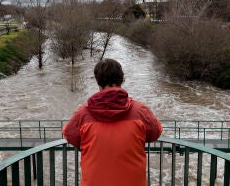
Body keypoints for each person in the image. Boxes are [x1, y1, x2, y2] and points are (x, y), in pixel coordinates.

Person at [62, 58, 162, 186]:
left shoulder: (83, 113)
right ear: (121, 80)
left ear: (98, 82)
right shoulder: (140, 111)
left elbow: (69, 135)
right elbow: (155, 132)